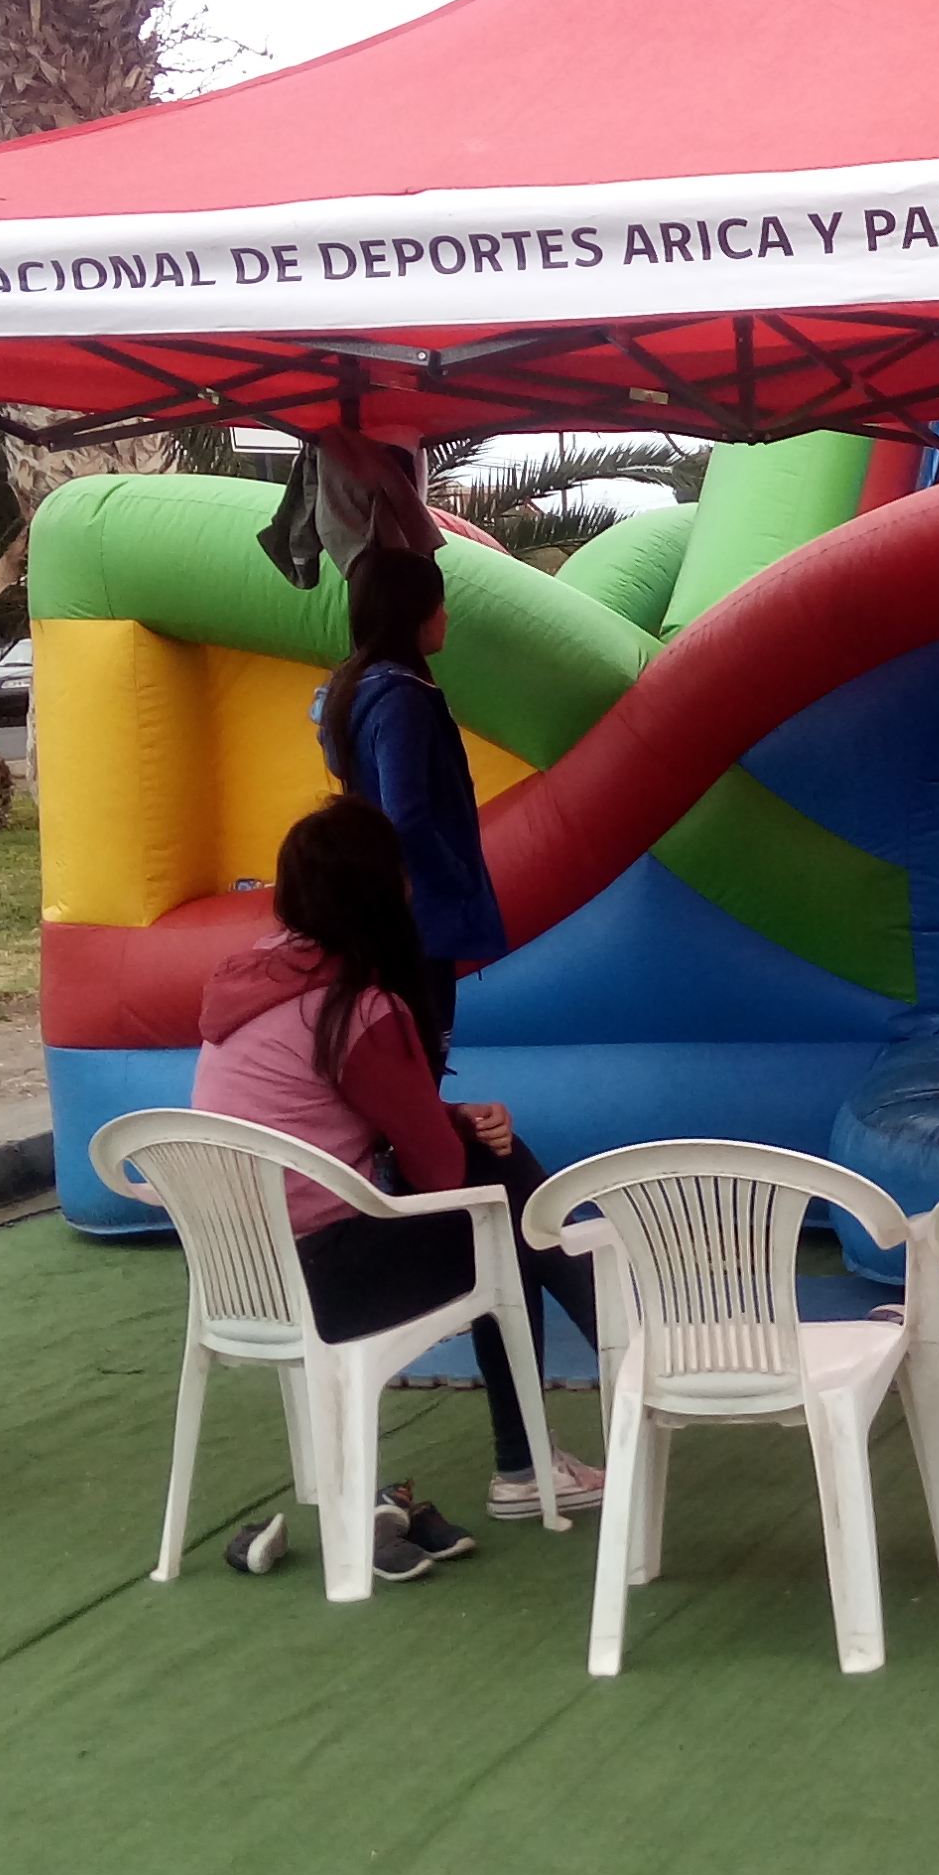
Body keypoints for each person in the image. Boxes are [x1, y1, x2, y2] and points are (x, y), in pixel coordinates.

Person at [192, 797, 603, 1582]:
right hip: (328, 1281)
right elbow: (438, 1174)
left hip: (238, 1279)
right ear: (385, 893)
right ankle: (601, 1380)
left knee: (500, 1194)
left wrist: (444, 1114)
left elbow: (309, 1111)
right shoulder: (358, 1008)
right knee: (505, 1202)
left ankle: (566, 1415)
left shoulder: (255, 978)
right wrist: (446, 1128)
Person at [316, 546, 505, 1068]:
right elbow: (408, 815)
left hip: (381, 908)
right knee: (422, 1056)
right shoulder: (404, 699)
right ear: (414, 614)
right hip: (417, 914)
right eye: (438, 604)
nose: (445, 615)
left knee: (397, 1055)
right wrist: (458, 876)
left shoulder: (351, 690)